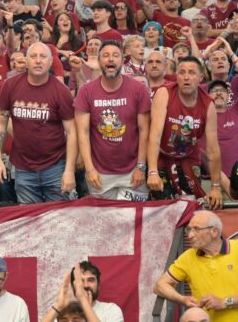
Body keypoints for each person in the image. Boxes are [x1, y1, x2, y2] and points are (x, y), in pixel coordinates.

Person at [0, 42, 77, 203]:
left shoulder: (61, 91)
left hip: (55, 167)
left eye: (43, 56)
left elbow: (72, 132)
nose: (38, 61)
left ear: (51, 62)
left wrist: (69, 170)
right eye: (33, 56)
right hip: (23, 168)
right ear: (26, 61)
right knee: (30, 217)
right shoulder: (10, 85)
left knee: (59, 216)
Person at [74, 41, 151, 201]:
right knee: (104, 217)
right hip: (99, 173)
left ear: (123, 60)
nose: (110, 59)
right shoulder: (86, 91)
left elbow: (144, 131)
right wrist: (89, 169)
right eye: (106, 55)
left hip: (133, 172)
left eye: (115, 55)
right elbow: (82, 133)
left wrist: (141, 167)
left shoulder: (138, 89)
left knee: (133, 215)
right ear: (99, 61)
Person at [147, 57, 223, 209]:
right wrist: (152, 171)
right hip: (161, 155)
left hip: (188, 157)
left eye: (191, 73)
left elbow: (213, 149)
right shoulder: (164, 93)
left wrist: (216, 187)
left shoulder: (208, 105)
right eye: (181, 72)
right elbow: (154, 136)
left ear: (201, 77)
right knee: (163, 207)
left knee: (192, 206)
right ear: (176, 76)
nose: (186, 77)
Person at [154, 210, 238, 321]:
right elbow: (159, 286)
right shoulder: (188, 257)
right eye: (189, 229)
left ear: (214, 232)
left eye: (196, 229)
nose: (190, 235)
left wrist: (225, 302)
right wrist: (183, 299)